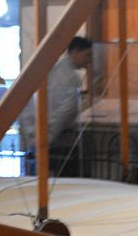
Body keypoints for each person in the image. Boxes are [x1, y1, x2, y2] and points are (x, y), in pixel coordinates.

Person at [18, 36, 93, 174]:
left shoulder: (52, 68)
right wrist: (48, 136)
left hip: (41, 134)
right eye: (86, 55)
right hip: (56, 139)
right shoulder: (71, 77)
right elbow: (66, 111)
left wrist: (32, 133)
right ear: (75, 51)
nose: (88, 61)